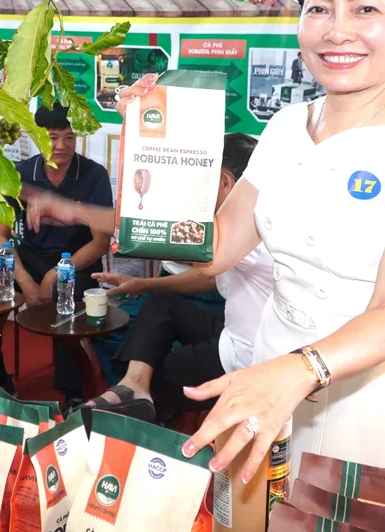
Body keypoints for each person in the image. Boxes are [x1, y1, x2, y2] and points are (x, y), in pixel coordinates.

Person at [116, 0, 385, 532]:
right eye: (318, 8)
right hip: (268, 375)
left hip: (375, 393)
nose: (337, 30)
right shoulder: (288, 125)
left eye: (365, 8)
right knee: (254, 520)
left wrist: (298, 370)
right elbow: (214, 251)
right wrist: (156, 149)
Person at [28, 134, 273, 423]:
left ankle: (147, 418)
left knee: (163, 367)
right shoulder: (250, 218)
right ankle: (134, 386)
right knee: (160, 304)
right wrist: (144, 285)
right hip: (230, 326)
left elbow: (151, 231)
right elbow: (208, 277)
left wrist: (71, 211)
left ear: (224, 183)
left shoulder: (250, 229)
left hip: (249, 353)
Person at [0, 103, 113, 405]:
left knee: (65, 298)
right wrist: (26, 281)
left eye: (69, 138)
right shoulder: (19, 174)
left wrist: (56, 273)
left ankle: (72, 394)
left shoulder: (94, 175)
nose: (61, 146)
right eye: (53, 137)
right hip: (31, 258)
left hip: (79, 262)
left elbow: (99, 243)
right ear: (38, 136)